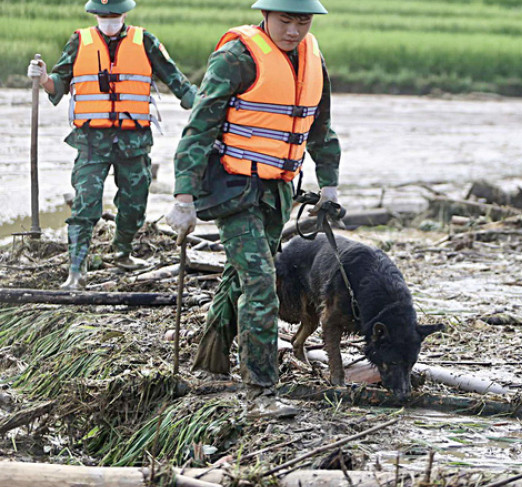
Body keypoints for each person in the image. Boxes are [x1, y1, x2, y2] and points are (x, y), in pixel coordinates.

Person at [166, 0, 341, 418]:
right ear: (265, 15)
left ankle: (209, 359)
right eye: (285, 20)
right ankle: (260, 391)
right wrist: (183, 197)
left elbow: (321, 127)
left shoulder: (312, 58)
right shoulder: (237, 57)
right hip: (231, 187)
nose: (294, 30)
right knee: (261, 282)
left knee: (239, 272)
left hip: (277, 190)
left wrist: (329, 184)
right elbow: (199, 127)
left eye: (303, 21)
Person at [27, 0, 198, 290]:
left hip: (134, 140)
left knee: (134, 202)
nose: (108, 20)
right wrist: (43, 78)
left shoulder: (145, 41)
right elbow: (58, 81)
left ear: (125, 14)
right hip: (91, 141)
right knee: (85, 203)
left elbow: (177, 81)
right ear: (95, 14)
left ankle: (123, 252)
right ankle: (76, 270)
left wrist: (206, 106)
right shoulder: (79, 41)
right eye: (103, 15)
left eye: (113, 15)